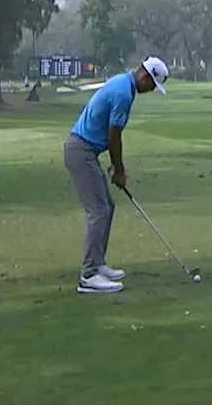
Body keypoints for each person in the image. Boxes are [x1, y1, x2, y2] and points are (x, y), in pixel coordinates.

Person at [63, 56, 169, 294]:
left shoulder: (123, 83)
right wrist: (118, 169)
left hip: (86, 150)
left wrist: (115, 165)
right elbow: (114, 135)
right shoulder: (124, 93)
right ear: (145, 77)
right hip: (81, 151)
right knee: (98, 210)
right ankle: (89, 275)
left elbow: (110, 135)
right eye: (152, 86)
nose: (151, 91)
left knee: (107, 206)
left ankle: (98, 264)